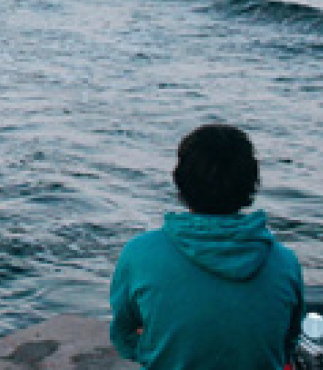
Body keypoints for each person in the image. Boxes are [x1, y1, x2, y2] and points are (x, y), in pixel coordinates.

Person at [109, 124, 304, 368]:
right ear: (251, 183)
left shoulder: (138, 254)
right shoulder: (285, 261)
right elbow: (288, 342)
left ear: (180, 182)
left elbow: (123, 337)